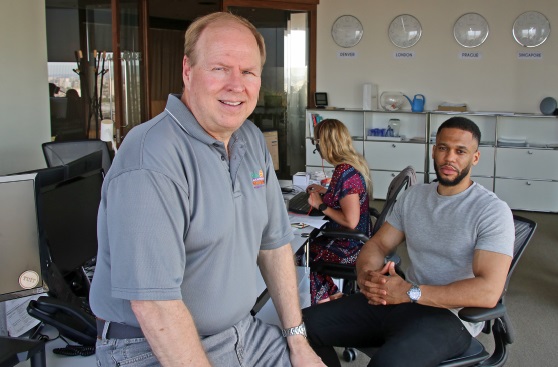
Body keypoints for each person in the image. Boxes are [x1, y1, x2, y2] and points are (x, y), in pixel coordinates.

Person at [89, 12, 324, 367]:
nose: (236, 85)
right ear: (187, 70)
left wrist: (297, 339)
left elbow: (273, 245)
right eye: (219, 68)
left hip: (242, 332)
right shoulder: (151, 157)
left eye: (248, 72)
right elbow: (155, 307)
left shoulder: (249, 139)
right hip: (150, 346)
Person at [302, 116, 516, 367]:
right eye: (444, 148)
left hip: (450, 317)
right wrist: (366, 276)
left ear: (475, 158)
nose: (450, 158)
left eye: (461, 151)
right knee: (300, 328)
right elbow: (377, 245)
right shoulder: (414, 197)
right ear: (434, 151)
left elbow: (489, 291)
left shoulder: (491, 211)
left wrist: (411, 293)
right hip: (397, 300)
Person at [302, 119, 372, 304]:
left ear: (324, 143)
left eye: (316, 143)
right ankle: (335, 297)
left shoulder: (345, 172)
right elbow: (346, 197)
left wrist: (320, 205)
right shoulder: (350, 165)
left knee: (305, 255)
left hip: (351, 245)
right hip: (355, 238)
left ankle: (327, 305)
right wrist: (326, 192)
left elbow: (351, 221)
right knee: (310, 247)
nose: (317, 148)